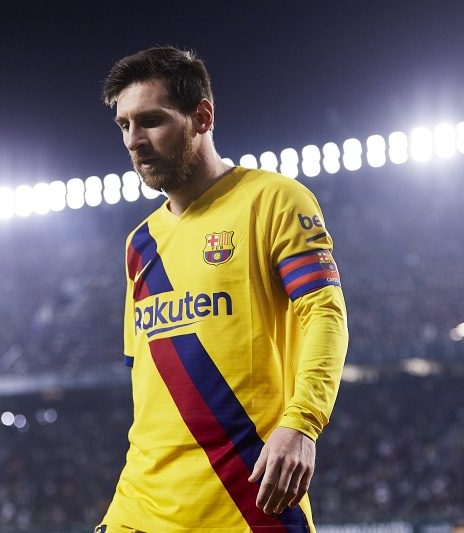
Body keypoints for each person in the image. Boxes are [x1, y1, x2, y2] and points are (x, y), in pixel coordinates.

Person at [97, 46, 349, 532]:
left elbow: (325, 314)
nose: (133, 140)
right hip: (140, 505)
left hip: (246, 501)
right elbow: (145, 383)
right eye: (124, 125)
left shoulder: (273, 199)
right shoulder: (139, 244)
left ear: (202, 117)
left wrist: (302, 423)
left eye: (151, 121)